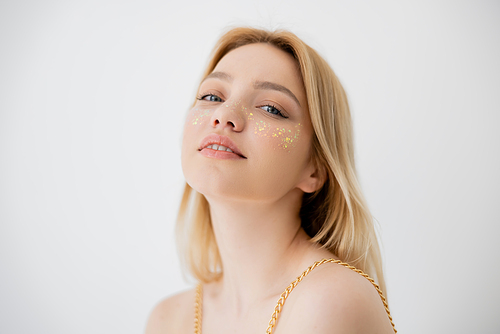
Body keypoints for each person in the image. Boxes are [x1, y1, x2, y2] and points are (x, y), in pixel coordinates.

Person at [145, 27, 396, 334]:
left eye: (270, 108)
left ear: (315, 168)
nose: (225, 114)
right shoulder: (167, 319)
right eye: (212, 96)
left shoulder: (331, 300)